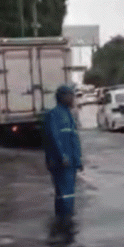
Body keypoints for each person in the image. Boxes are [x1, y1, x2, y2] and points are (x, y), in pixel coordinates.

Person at [43, 85, 83, 228]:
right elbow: (53, 138)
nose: (73, 98)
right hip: (61, 162)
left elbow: (74, 139)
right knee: (65, 193)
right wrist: (62, 157)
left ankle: (64, 221)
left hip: (70, 162)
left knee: (67, 193)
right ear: (62, 97)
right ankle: (65, 224)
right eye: (71, 95)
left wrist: (78, 160)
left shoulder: (69, 114)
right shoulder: (53, 115)